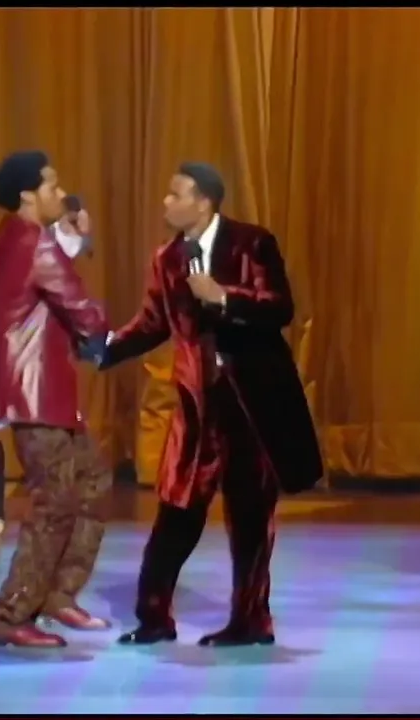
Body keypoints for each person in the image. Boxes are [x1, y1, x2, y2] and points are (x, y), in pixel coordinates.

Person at [96, 162, 322, 647]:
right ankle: (154, 617)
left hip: (250, 405)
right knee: (176, 511)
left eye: (175, 194)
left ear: (203, 202)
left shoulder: (251, 243)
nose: (165, 202)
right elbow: (153, 322)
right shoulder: (167, 259)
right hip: (199, 409)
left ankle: (251, 621)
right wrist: (106, 348)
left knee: (251, 517)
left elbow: (279, 307)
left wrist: (224, 297)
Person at [0, 150, 115, 648]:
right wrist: (110, 339)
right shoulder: (33, 242)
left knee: (92, 481)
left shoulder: (7, 240)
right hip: (37, 394)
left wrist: (71, 242)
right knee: (54, 503)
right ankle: (9, 612)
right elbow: (78, 305)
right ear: (28, 195)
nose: (61, 193)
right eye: (52, 186)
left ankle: (57, 593)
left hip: (40, 392)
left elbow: (44, 283)